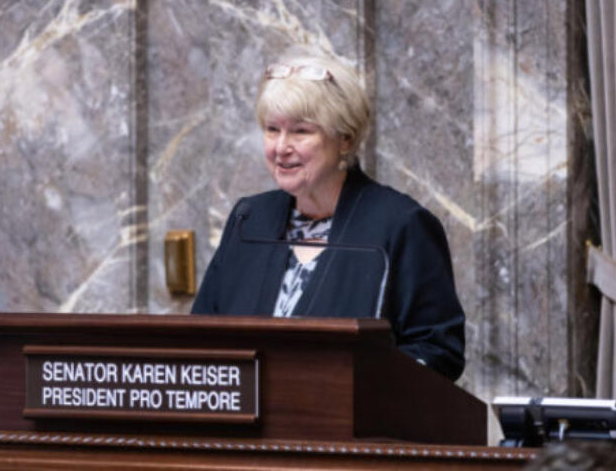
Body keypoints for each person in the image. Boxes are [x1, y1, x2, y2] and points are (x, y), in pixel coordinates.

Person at [191, 48, 466, 380]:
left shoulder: (401, 225)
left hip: (349, 427)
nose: (281, 147)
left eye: (301, 131)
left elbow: (438, 352)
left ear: (345, 139)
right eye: (272, 129)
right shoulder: (249, 218)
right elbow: (202, 337)